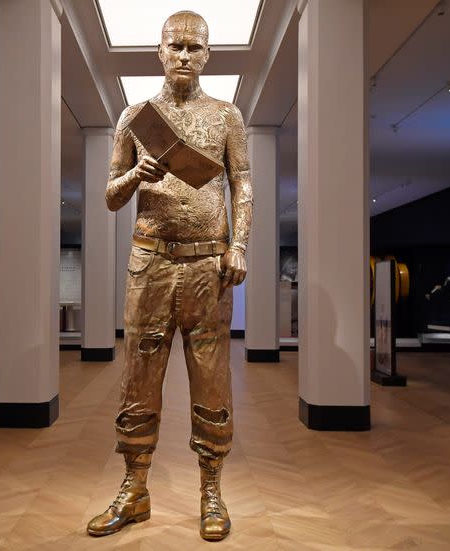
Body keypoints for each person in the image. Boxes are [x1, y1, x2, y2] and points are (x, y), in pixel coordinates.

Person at [87, 11, 252, 541]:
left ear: (208, 55)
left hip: (208, 264)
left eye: (194, 47)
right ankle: (134, 490)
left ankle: (211, 491)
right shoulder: (134, 117)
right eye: (175, 45)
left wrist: (239, 245)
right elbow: (111, 198)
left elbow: (241, 184)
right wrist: (137, 174)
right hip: (150, 262)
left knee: (211, 377)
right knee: (139, 376)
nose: (184, 55)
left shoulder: (227, 116)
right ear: (159, 51)